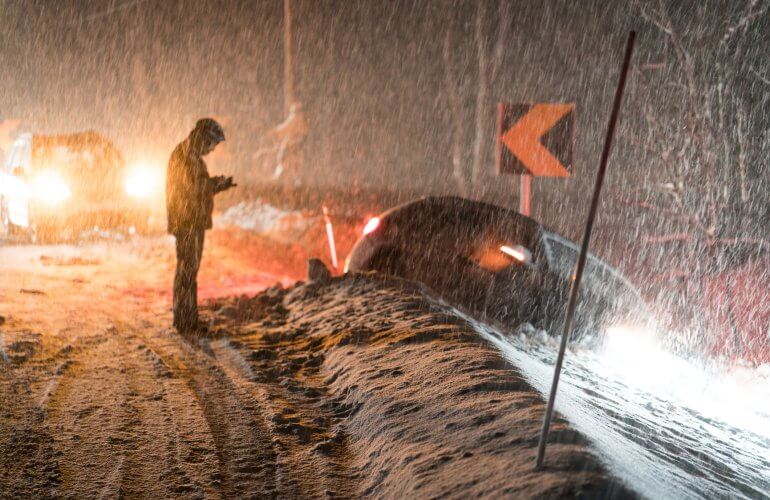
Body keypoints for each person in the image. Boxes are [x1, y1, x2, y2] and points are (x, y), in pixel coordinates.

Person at [166, 118, 235, 333]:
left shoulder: (189, 154)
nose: (212, 150)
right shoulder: (185, 156)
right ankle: (185, 321)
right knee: (187, 271)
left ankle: (188, 320)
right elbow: (194, 187)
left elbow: (195, 186)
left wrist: (213, 185)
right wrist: (217, 184)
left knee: (189, 271)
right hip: (188, 222)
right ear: (203, 138)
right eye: (212, 144)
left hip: (190, 221)